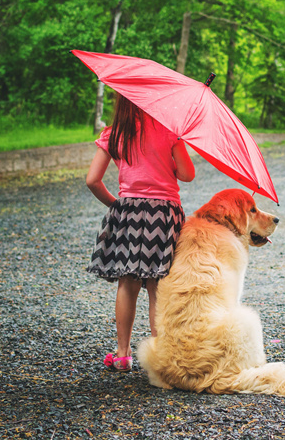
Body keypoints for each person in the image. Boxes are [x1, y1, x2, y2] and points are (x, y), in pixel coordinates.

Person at [86, 93, 195, 372]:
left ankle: (122, 355)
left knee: (128, 282)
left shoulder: (114, 134)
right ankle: (159, 358)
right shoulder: (168, 131)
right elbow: (187, 174)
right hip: (163, 214)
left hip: (128, 212)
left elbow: (92, 180)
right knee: (157, 285)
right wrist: (175, 146)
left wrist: (117, 205)